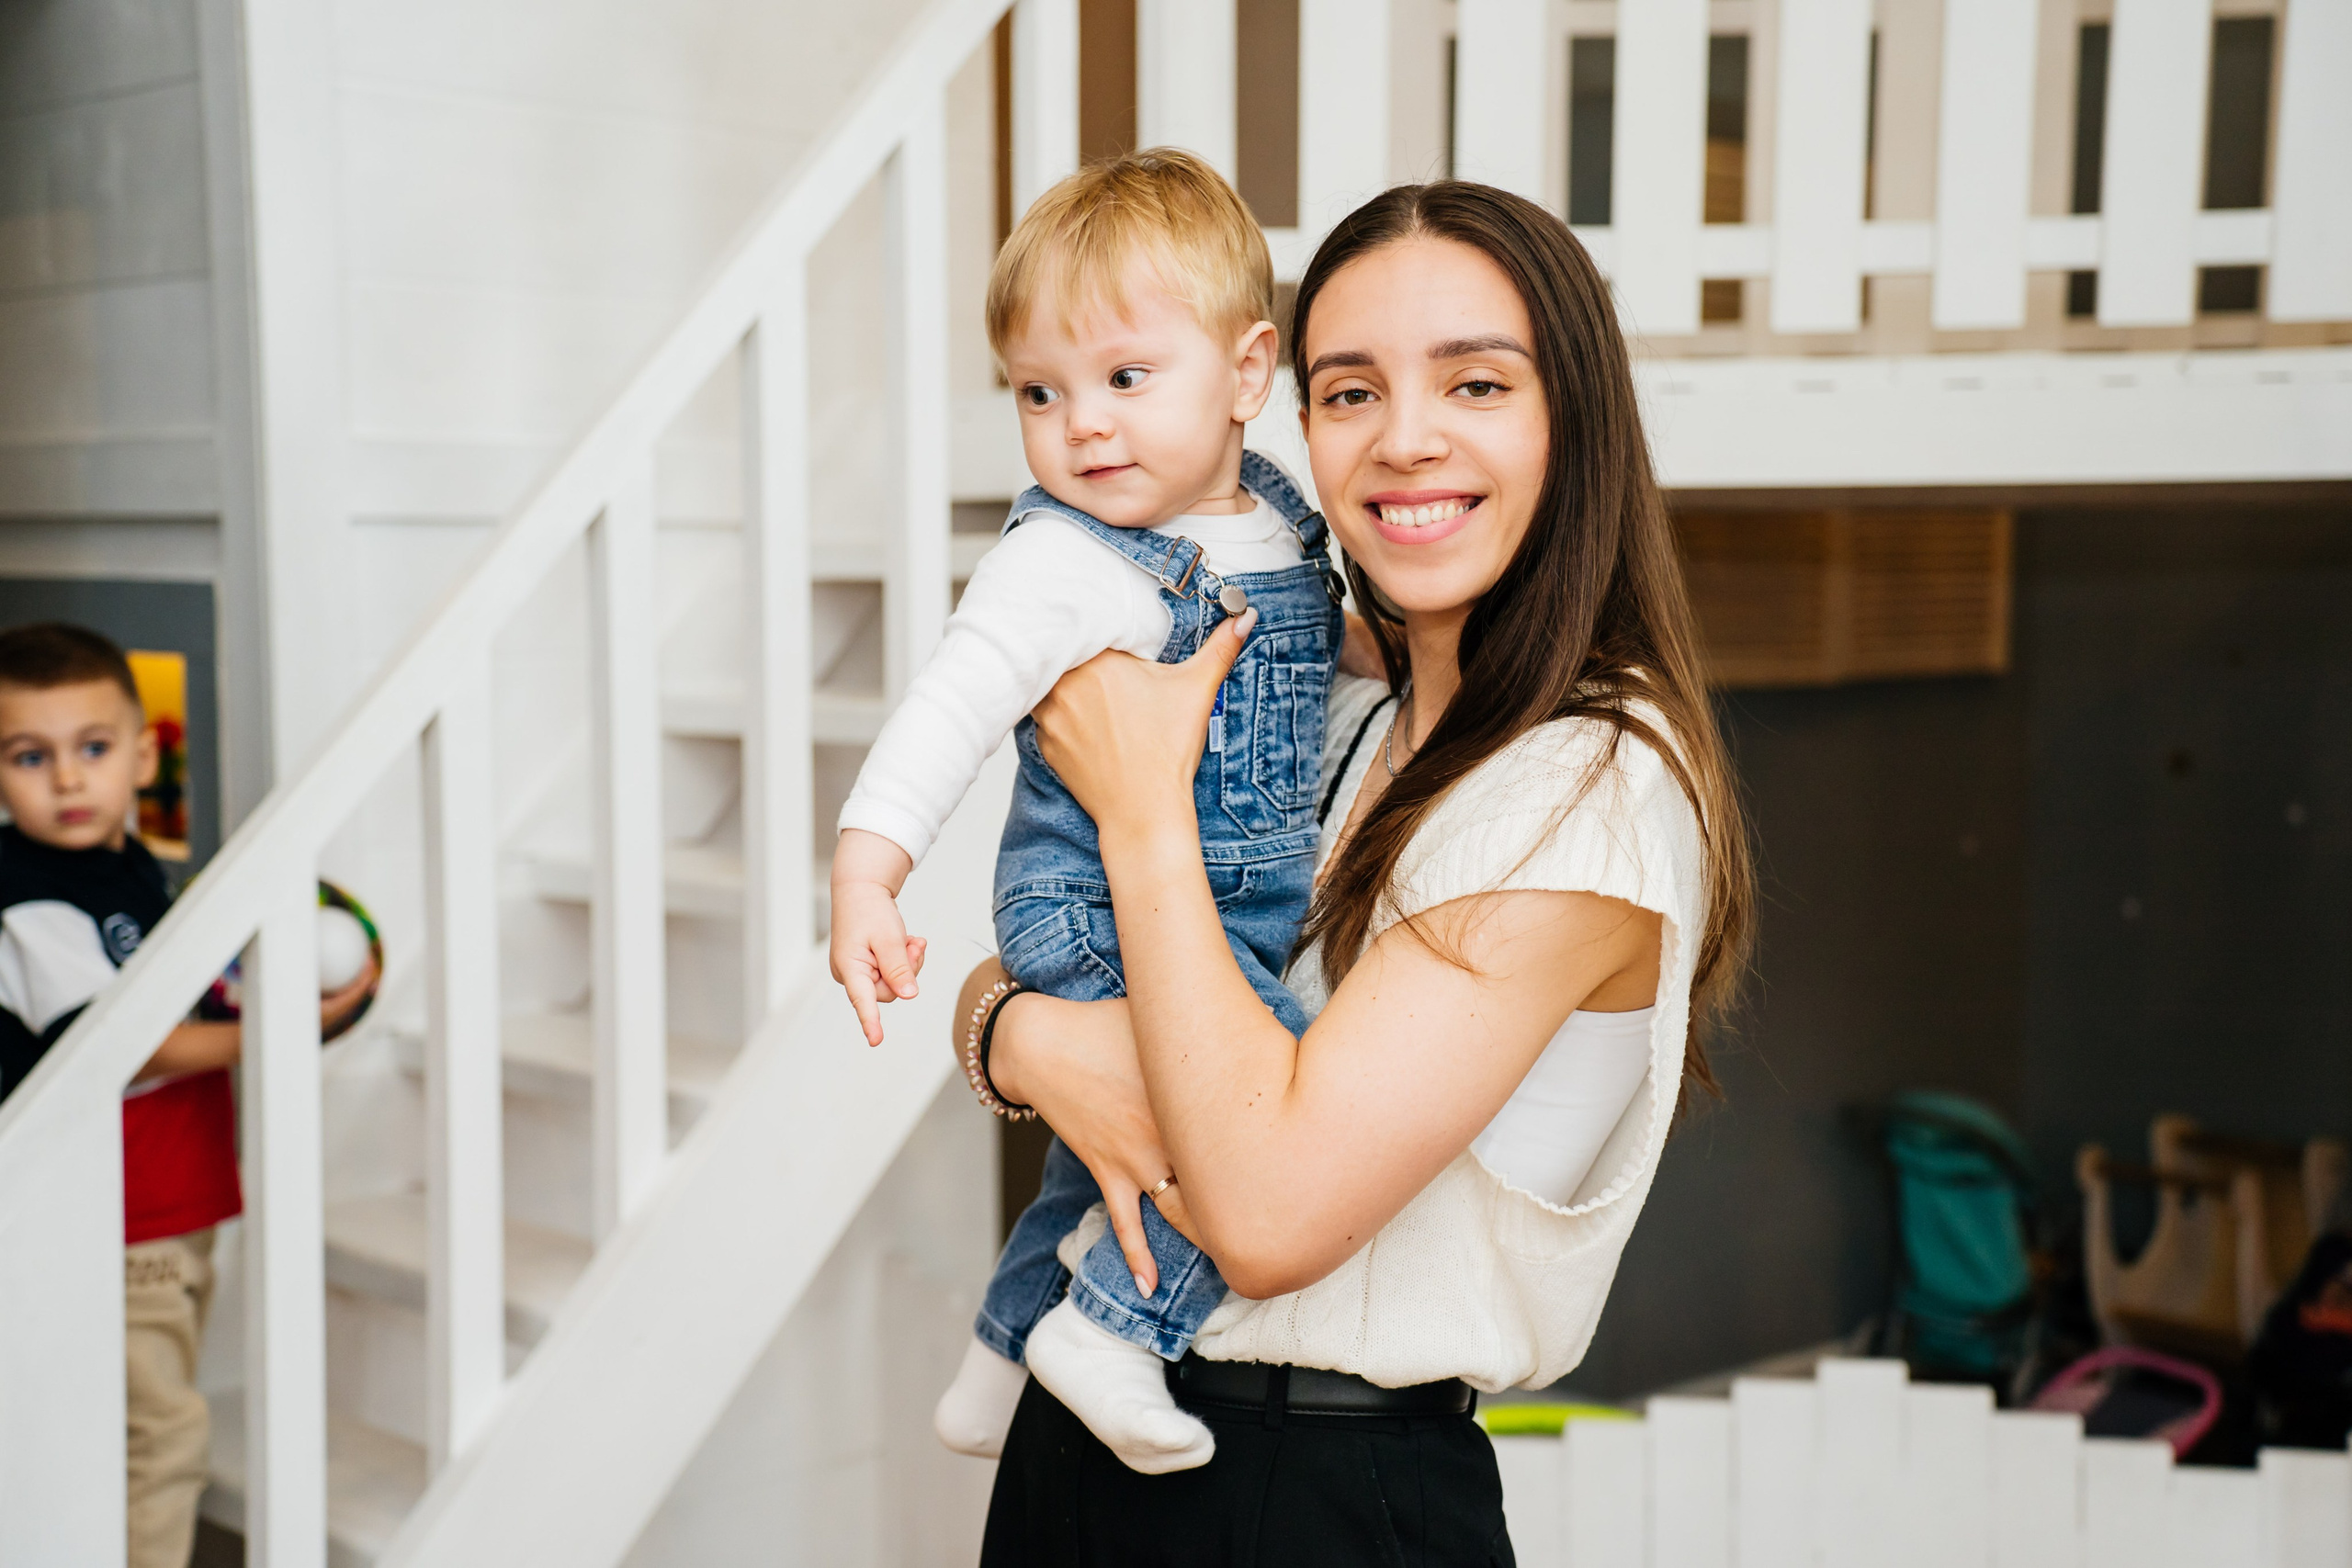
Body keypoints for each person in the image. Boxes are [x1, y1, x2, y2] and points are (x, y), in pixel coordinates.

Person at [959, 181, 1757, 1563]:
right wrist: (1018, 1033)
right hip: (1086, 1444)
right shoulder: (1336, 703)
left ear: (1574, 414)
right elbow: (1037, 946)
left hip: (1309, 1490)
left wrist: (1145, 811)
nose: (1405, 440)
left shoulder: (1589, 786)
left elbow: (1264, 1209)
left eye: (1477, 381)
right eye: (1348, 391)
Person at [826, 149, 1362, 1473]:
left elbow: (1323, 656)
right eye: (1040, 392)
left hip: (1204, 890)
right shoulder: (1066, 558)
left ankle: (1001, 1348)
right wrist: (866, 869)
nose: (1083, 426)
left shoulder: (1277, 519)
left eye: (1126, 378)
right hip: (1097, 903)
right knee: (1256, 1081)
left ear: (1246, 374)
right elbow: (948, 707)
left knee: (1095, 1154)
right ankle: (1109, 1330)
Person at [0, 623, 372, 1568]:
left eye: (92, 748)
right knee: (158, 1435)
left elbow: (175, 993)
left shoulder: (130, 874)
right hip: (113, 1214)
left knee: (129, 1414)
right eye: (29, 757)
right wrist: (284, 1034)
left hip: (161, 1205)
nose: (70, 780)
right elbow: (123, 1043)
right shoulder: (26, 894)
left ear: (143, 750)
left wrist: (268, 993)